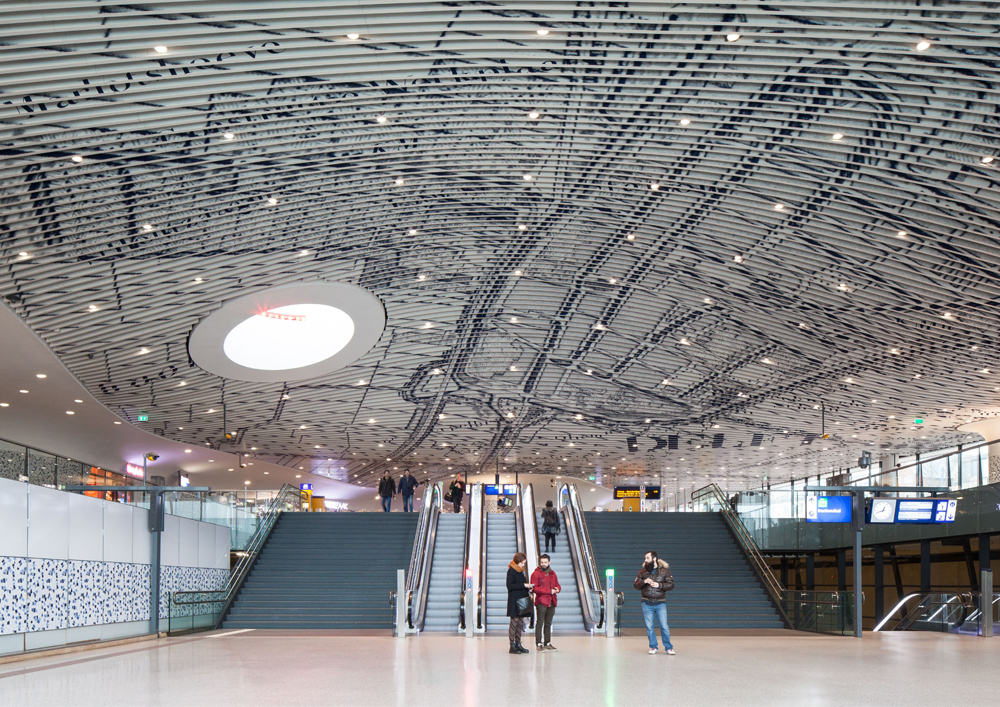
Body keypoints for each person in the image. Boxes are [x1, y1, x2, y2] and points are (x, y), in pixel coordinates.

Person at [634, 550, 674, 655]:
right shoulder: (642, 572)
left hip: (660, 603)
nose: (645, 560)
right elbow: (636, 585)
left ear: (654, 559)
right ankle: (653, 646)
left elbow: (671, 585)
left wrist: (659, 585)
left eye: (647, 558)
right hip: (646, 603)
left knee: (664, 626)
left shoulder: (665, 572)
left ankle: (669, 647)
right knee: (649, 627)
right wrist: (643, 582)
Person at [530, 553, 561, 651]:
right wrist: (549, 591)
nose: (543, 564)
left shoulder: (553, 573)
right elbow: (534, 589)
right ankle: (539, 643)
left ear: (549, 562)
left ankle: (547, 642)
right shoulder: (536, 574)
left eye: (545, 562)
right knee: (540, 622)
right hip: (541, 601)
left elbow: (557, 585)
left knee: (548, 623)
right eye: (542, 562)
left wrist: (557, 589)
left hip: (551, 601)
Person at [506, 552, 533, 654]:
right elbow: (510, 586)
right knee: (514, 622)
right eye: (522, 563)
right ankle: (512, 645)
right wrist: (524, 585)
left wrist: (528, 586)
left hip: (522, 600)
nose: (523, 565)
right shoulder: (511, 571)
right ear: (517, 562)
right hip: (514, 601)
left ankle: (518, 644)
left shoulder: (520, 571)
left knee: (520, 622)